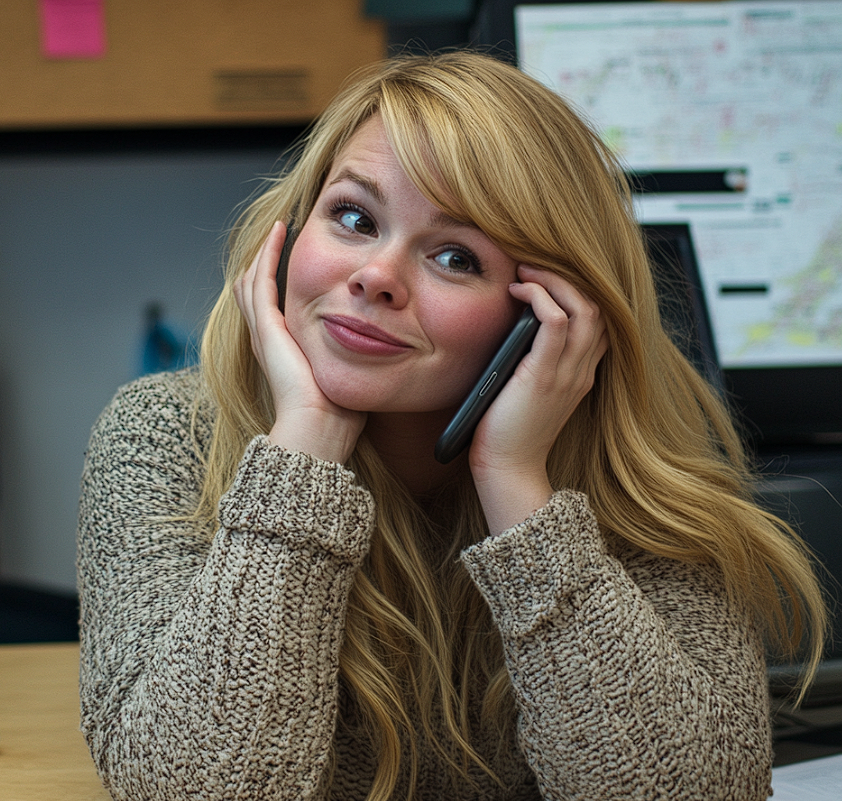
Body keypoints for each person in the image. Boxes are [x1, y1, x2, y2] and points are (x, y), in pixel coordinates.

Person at [77, 50, 826, 801]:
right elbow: (192, 790)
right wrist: (306, 442)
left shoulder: (637, 490)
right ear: (289, 233)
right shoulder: (164, 436)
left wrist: (516, 487)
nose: (376, 276)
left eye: (454, 256)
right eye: (353, 217)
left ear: (546, 318)